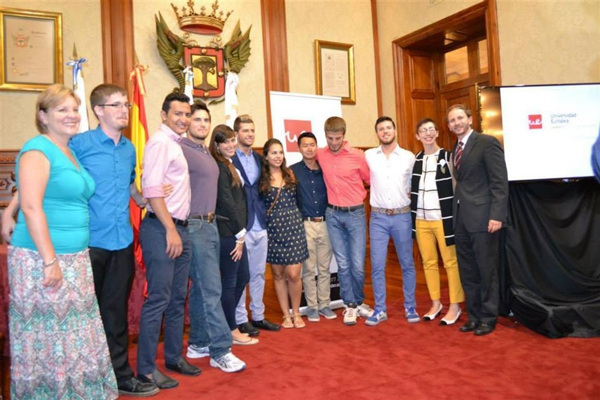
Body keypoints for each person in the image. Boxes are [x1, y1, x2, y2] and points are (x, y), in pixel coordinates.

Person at [2, 84, 159, 396]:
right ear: (98, 111)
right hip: (84, 246)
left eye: (126, 105)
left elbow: (127, 184)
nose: (124, 110)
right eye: (116, 105)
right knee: (65, 324)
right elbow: (37, 184)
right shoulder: (77, 143)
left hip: (118, 240)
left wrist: (144, 200)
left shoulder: (124, 149)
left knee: (107, 315)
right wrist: (10, 210)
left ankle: (114, 376)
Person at [137, 92, 200, 389]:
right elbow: (152, 190)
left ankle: (174, 357)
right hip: (163, 230)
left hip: (180, 229)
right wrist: (170, 230)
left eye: (187, 114)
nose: (183, 119)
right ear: (164, 115)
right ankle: (146, 370)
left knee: (177, 299)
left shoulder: (176, 143)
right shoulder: (160, 142)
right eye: (178, 114)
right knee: (159, 300)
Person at [181, 103, 247, 372]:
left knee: (201, 288)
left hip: (210, 225)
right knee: (211, 289)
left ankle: (198, 343)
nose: (202, 124)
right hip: (194, 225)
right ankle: (221, 350)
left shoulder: (204, 152)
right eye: (196, 119)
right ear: (187, 122)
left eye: (206, 120)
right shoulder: (180, 149)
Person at [447, 104, 508, 336]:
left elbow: (499, 182)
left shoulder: (487, 142)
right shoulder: (455, 148)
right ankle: (474, 316)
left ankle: (489, 318)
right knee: (468, 272)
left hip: (484, 220)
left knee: (486, 271)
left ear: (470, 119)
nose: (457, 123)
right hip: (461, 220)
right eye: (452, 120)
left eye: (460, 118)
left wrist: (497, 215)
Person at [318, 116, 373, 325]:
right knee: (342, 263)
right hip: (333, 214)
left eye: (337, 138)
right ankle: (350, 305)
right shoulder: (321, 154)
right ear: (325, 135)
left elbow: (369, 179)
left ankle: (359, 302)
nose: (334, 143)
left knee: (357, 264)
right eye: (330, 138)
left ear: (344, 135)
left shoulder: (357, 156)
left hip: (355, 214)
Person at [365, 116, 419, 326]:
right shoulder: (369, 156)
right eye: (381, 129)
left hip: (402, 216)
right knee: (377, 265)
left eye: (388, 127)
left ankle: (410, 306)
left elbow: (414, 185)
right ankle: (380, 309)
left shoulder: (408, 157)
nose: (385, 131)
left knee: (407, 263)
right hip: (378, 218)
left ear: (395, 131)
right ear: (377, 133)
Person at [410, 117, 464, 325]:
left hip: (443, 219)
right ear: (418, 136)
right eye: (423, 130)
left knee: (451, 262)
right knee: (428, 262)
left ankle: (455, 306)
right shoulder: (416, 159)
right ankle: (436, 303)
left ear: (438, 133)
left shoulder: (447, 157)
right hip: (421, 219)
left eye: (431, 129)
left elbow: (456, 186)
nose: (428, 133)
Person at [209, 124, 258, 346]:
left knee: (243, 276)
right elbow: (226, 203)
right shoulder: (219, 167)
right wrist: (240, 234)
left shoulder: (229, 163)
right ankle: (230, 329)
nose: (230, 145)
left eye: (232, 140)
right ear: (217, 145)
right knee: (230, 281)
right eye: (225, 142)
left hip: (237, 232)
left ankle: (224, 321)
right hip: (228, 233)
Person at [232, 114, 280, 335]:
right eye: (245, 130)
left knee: (259, 273)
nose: (250, 134)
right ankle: (241, 319)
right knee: (241, 275)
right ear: (236, 134)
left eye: (252, 130)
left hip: (261, 223)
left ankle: (258, 316)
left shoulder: (260, 159)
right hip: (241, 226)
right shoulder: (229, 159)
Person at [260, 139, 309, 328]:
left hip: (293, 228)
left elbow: (300, 200)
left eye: (280, 152)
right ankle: (286, 315)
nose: (278, 156)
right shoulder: (261, 179)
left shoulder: (290, 174)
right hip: (273, 230)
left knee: (294, 274)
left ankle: (297, 313)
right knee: (278, 274)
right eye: (274, 153)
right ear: (266, 156)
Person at [290, 132, 336, 322]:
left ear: (317, 146)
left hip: (326, 223)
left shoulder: (325, 168)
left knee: (324, 268)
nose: (309, 149)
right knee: (309, 269)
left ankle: (324, 304)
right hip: (305, 224)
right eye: (305, 145)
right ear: (299, 148)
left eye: (312, 145)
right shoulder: (292, 171)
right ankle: (312, 307)